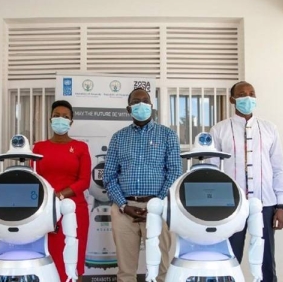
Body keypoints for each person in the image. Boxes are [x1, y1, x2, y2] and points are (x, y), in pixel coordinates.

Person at [209, 81, 283, 282]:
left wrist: (281, 205)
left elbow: (278, 168)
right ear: (232, 99)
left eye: (251, 93)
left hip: (266, 204)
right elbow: (211, 172)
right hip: (232, 206)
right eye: (242, 94)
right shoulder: (219, 130)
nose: (248, 97)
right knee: (229, 257)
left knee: (266, 259)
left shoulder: (269, 128)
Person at [103, 87, 182, 282]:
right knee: (125, 271)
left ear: (151, 106)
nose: (141, 104)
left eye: (145, 100)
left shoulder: (167, 135)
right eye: (136, 101)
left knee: (160, 269)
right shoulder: (118, 137)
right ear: (129, 109)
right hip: (124, 210)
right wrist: (123, 205)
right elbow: (109, 176)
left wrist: (156, 205)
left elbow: (174, 172)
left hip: (159, 209)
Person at [32, 100, 91, 282]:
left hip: (74, 212)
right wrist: (50, 199)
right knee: (48, 260)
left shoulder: (81, 147)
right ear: (50, 119)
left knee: (73, 263)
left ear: (71, 122)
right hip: (46, 213)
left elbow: (84, 181)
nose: (60, 119)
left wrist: (60, 195)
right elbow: (35, 179)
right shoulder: (39, 148)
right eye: (57, 115)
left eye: (65, 117)